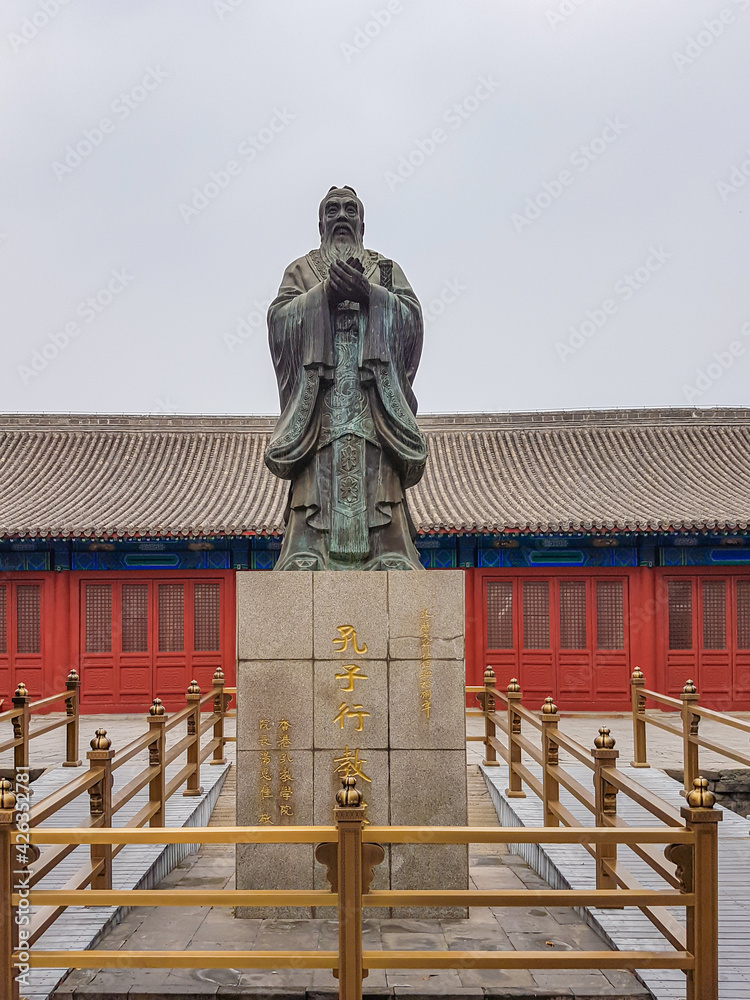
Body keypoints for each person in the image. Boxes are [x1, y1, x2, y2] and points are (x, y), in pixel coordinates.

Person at [265, 185, 427, 570]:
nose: (342, 216)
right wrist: (322, 296)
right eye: (333, 209)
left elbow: (412, 320)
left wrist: (372, 295)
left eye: (350, 210)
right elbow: (278, 320)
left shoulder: (385, 270)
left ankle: (389, 549)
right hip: (320, 399)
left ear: (362, 222)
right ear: (320, 222)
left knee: (379, 473)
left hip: (373, 397)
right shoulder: (301, 270)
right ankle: (307, 552)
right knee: (315, 476)